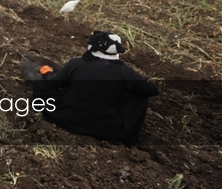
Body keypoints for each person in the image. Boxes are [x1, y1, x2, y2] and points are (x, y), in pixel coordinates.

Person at [29, 31, 159, 146]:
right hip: (104, 128)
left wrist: (47, 72)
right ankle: (129, 135)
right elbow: (151, 90)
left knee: (40, 84)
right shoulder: (125, 73)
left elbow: (53, 83)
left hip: (66, 118)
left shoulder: (77, 63)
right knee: (140, 96)